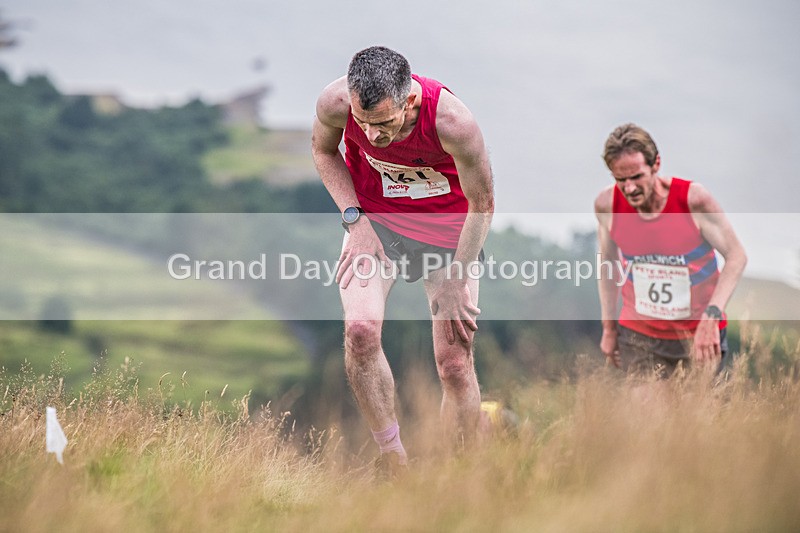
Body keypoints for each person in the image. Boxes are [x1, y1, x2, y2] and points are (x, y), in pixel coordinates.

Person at [311, 46, 494, 476]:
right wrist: (355, 220)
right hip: (375, 226)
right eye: (363, 122)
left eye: (384, 123)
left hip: (448, 237)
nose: (372, 136)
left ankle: (464, 472)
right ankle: (393, 459)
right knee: (359, 332)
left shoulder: (452, 123)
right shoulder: (335, 103)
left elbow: (483, 203)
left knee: (454, 365)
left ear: (408, 101)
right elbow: (323, 152)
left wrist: (457, 276)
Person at [594, 123, 747, 378]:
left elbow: (736, 256)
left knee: (694, 416)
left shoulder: (693, 200)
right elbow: (607, 266)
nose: (629, 188)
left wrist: (711, 318)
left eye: (636, 177)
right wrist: (608, 328)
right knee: (647, 415)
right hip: (639, 334)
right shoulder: (607, 205)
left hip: (698, 334)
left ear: (656, 164)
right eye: (620, 179)